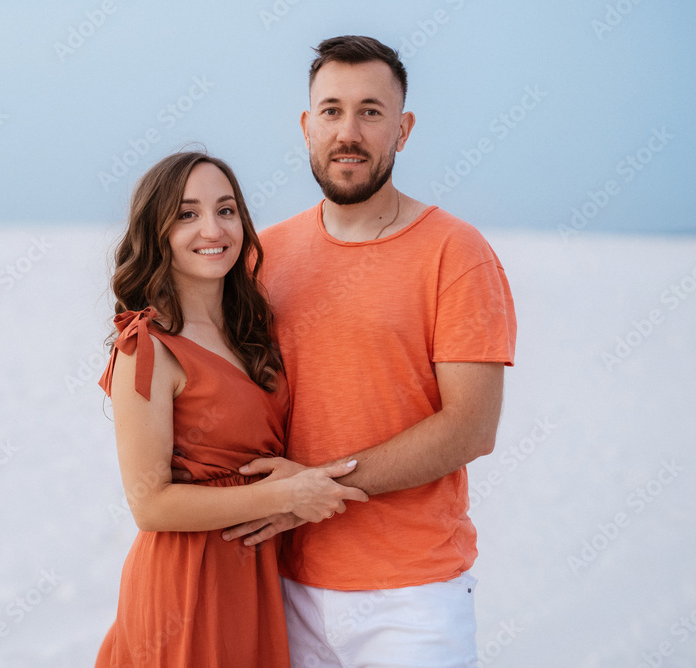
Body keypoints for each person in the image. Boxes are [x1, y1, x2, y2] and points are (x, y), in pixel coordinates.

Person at [220, 36, 518, 667]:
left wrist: (316, 484)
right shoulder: (262, 257)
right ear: (306, 126)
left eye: (370, 111)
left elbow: (472, 426)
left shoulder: (455, 254)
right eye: (330, 111)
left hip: (413, 597)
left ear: (403, 130)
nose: (347, 131)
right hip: (285, 584)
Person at [94, 150, 368, 667]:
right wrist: (286, 493)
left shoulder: (251, 332)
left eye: (226, 210)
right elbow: (149, 504)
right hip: (188, 582)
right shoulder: (147, 346)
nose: (212, 229)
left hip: (259, 579)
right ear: (158, 231)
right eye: (187, 214)